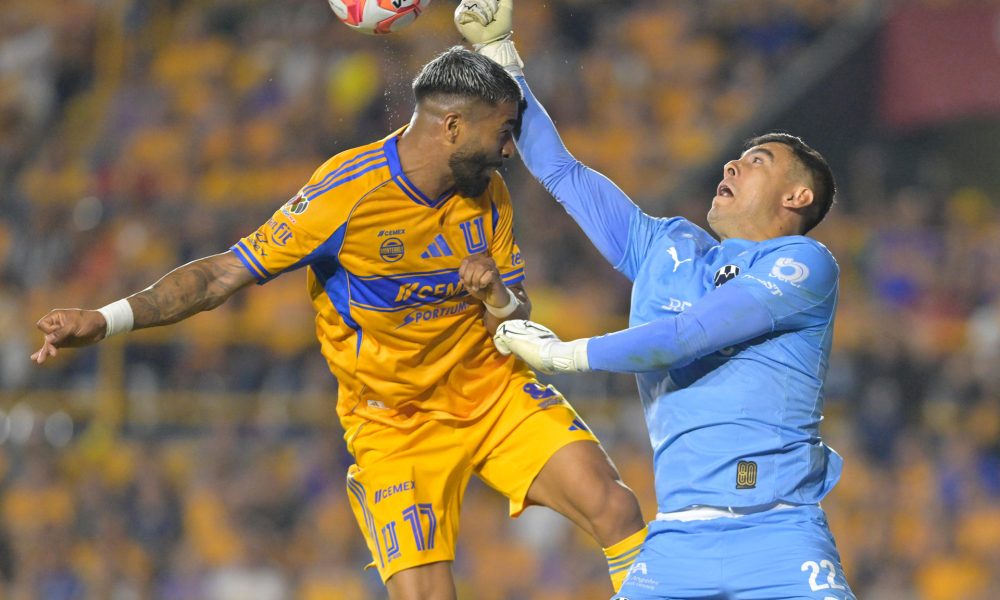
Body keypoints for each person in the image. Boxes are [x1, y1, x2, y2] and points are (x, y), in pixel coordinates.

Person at [30, 48, 647, 599]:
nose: (510, 150)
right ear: (453, 126)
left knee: (615, 508)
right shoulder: (346, 193)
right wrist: (106, 320)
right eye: (503, 132)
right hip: (393, 423)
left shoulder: (488, 194)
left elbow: (514, 319)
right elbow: (220, 276)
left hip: (490, 391)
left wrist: (497, 298)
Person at [455, 2, 856, 598]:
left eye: (757, 161)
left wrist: (565, 355)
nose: (733, 163)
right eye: (738, 156)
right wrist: (500, 58)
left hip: (777, 535)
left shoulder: (803, 265)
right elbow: (562, 172)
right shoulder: (664, 247)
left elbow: (689, 335)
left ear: (796, 197)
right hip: (676, 545)